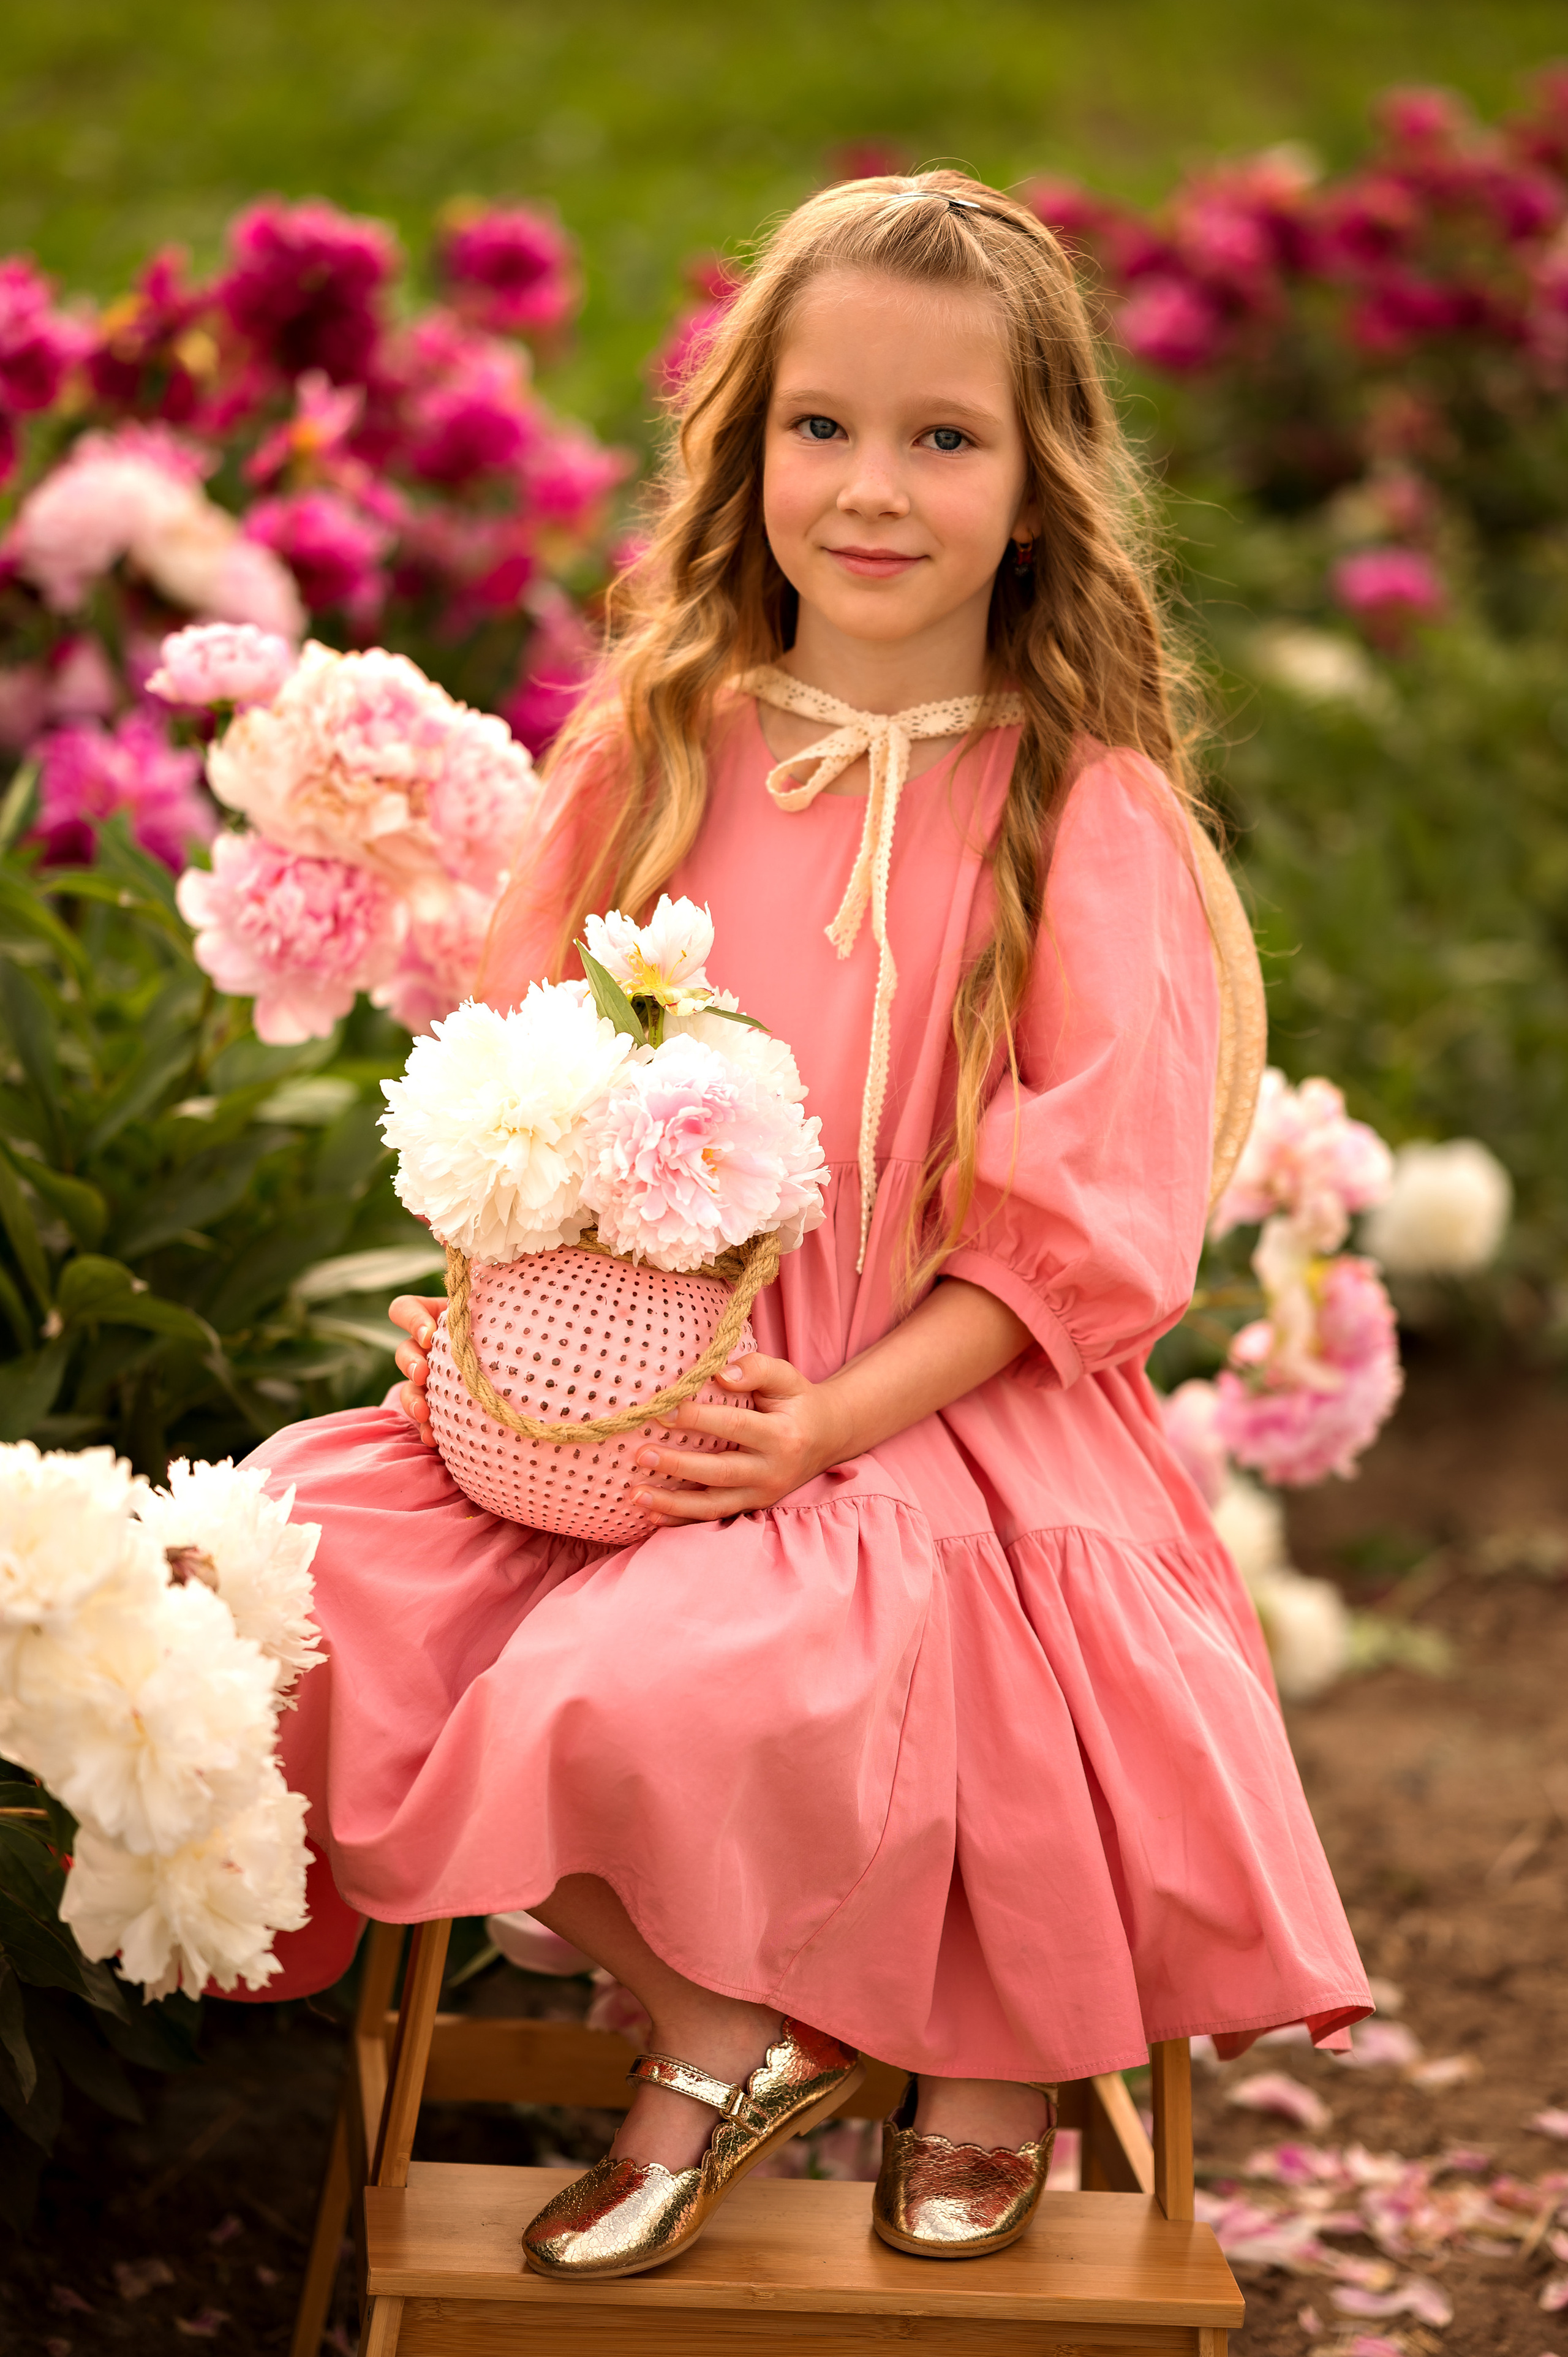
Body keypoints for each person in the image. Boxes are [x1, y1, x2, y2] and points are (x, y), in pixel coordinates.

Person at [248, 170, 1370, 2280]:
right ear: (746, 448)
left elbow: (1087, 1223)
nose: (874, 489)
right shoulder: (658, 754)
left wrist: (832, 1420)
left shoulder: (1077, 810)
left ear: (1042, 489)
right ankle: (731, 2025)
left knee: (644, 1685)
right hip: (645, 1379)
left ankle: (975, 2048)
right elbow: (528, 1091)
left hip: (940, 1397)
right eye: (821, 427)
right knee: (301, 1599)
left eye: (945, 439)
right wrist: (483, 1328)